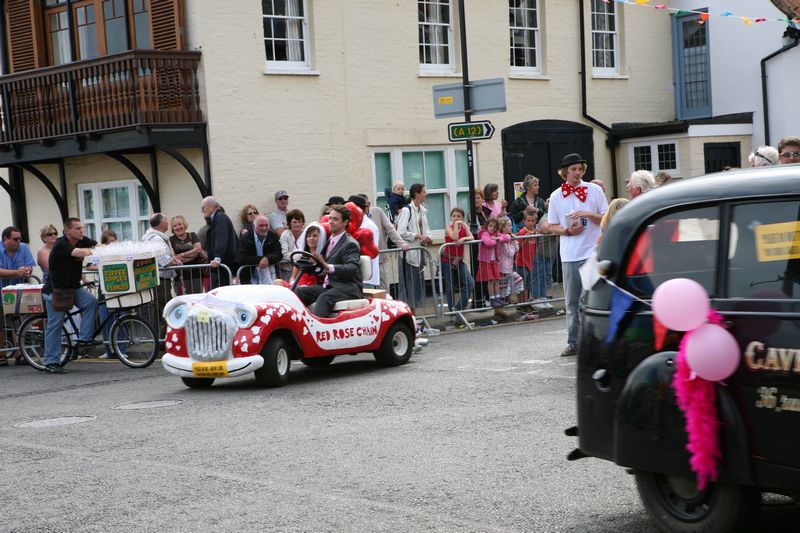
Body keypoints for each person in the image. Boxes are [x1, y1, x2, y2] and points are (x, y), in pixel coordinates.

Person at [547, 153, 608, 357]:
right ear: (565, 172)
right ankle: (573, 342)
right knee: (572, 302)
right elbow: (551, 225)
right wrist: (566, 231)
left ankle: (594, 341)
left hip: (592, 252)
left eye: (580, 169)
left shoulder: (595, 190)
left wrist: (588, 214)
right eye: (573, 169)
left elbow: (607, 219)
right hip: (569, 254)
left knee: (590, 300)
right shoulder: (556, 195)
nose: (577, 173)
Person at [41, 218, 98, 374]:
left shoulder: (82, 240)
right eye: (78, 228)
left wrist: (100, 248)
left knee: (91, 302)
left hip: (73, 287)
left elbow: (97, 244)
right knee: (56, 325)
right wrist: (93, 252)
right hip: (57, 290)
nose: (81, 231)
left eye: (82, 228)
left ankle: (84, 340)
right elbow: (78, 253)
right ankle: (51, 361)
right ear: (68, 231)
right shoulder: (61, 244)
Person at [295, 206, 362, 318]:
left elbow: (352, 268)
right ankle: (297, 324)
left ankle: (317, 330)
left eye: (335, 219)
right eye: (330, 218)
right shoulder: (330, 240)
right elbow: (323, 266)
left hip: (347, 287)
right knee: (300, 292)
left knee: (324, 298)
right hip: (330, 285)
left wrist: (328, 267)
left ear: (345, 222)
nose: (330, 222)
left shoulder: (350, 244)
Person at [395, 183, 433, 316]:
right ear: (416, 194)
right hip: (408, 256)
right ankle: (409, 318)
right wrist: (417, 236)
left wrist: (428, 237)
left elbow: (427, 230)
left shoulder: (422, 211)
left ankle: (413, 318)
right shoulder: (406, 211)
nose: (426, 194)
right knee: (408, 289)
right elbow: (400, 232)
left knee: (416, 288)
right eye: (423, 192)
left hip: (419, 254)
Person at [360, 193, 408, 292]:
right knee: (368, 291)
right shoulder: (356, 218)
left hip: (381, 258)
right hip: (365, 261)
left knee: (383, 289)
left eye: (366, 205)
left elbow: (390, 229)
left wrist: (401, 243)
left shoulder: (377, 211)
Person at [143, 213, 182, 312]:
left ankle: (162, 327)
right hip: (160, 280)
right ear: (162, 223)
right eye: (166, 220)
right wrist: (176, 262)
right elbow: (164, 261)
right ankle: (164, 327)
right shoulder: (156, 239)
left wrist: (174, 260)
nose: (168, 222)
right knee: (165, 308)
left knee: (162, 307)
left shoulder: (156, 237)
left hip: (160, 279)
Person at [441, 207, 475, 315]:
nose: (456, 218)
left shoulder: (464, 227)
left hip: (459, 260)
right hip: (447, 259)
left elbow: (471, 237)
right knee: (450, 286)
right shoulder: (449, 227)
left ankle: (459, 307)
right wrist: (456, 225)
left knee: (469, 283)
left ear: (462, 218)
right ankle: (452, 310)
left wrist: (464, 238)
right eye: (454, 216)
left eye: (459, 216)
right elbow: (454, 237)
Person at [202, 196, 239, 288]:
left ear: (210, 207)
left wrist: (217, 257)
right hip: (224, 266)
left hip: (223, 266)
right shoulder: (219, 218)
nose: (202, 211)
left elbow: (221, 238)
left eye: (203, 208)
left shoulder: (220, 218)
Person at [239, 215, 281, 285]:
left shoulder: (273, 236)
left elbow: (279, 254)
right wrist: (262, 259)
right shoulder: (245, 238)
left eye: (266, 225)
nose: (264, 228)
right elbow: (241, 258)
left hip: (270, 276)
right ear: (254, 227)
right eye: (261, 225)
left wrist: (268, 258)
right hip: (250, 278)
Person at [169, 215, 206, 295]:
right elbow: (174, 257)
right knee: (182, 300)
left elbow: (198, 249)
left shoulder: (192, 235)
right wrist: (193, 253)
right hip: (180, 276)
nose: (178, 227)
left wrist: (182, 255)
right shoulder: (171, 240)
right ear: (172, 229)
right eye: (175, 226)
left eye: (180, 224)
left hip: (196, 274)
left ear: (184, 225)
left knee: (196, 298)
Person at [476, 217, 505, 308]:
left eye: (494, 227)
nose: (492, 228)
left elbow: (506, 237)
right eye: (490, 226)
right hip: (486, 261)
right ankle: (491, 299)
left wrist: (498, 238)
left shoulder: (496, 234)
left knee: (496, 279)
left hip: (494, 260)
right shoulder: (484, 233)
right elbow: (488, 243)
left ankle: (497, 297)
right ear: (487, 226)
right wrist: (496, 240)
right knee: (491, 280)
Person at [290, 222, 327, 287]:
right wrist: (294, 284)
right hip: (297, 285)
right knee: (277, 282)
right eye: (308, 236)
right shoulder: (300, 255)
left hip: (313, 287)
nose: (311, 238)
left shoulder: (324, 257)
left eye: (315, 236)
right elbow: (293, 277)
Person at [515, 208, 539, 305]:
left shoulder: (535, 231)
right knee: (522, 285)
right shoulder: (522, 232)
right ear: (524, 221)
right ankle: (522, 303)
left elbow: (535, 244)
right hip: (521, 262)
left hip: (530, 261)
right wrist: (525, 238)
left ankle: (526, 302)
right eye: (528, 221)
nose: (530, 223)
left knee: (528, 284)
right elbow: (517, 247)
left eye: (532, 221)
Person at [496, 217, 519, 304]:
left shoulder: (509, 237)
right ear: (502, 227)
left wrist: (514, 240)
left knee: (509, 282)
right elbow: (510, 253)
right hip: (503, 266)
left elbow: (517, 248)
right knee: (504, 284)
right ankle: (504, 299)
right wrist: (511, 242)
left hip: (509, 265)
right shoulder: (502, 240)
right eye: (509, 226)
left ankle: (507, 298)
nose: (511, 227)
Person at [279, 209, 305, 281]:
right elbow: (284, 254)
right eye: (294, 222)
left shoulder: (306, 234)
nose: (297, 224)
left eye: (299, 222)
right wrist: (298, 255)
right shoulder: (285, 235)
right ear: (289, 223)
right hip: (287, 270)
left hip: (302, 270)